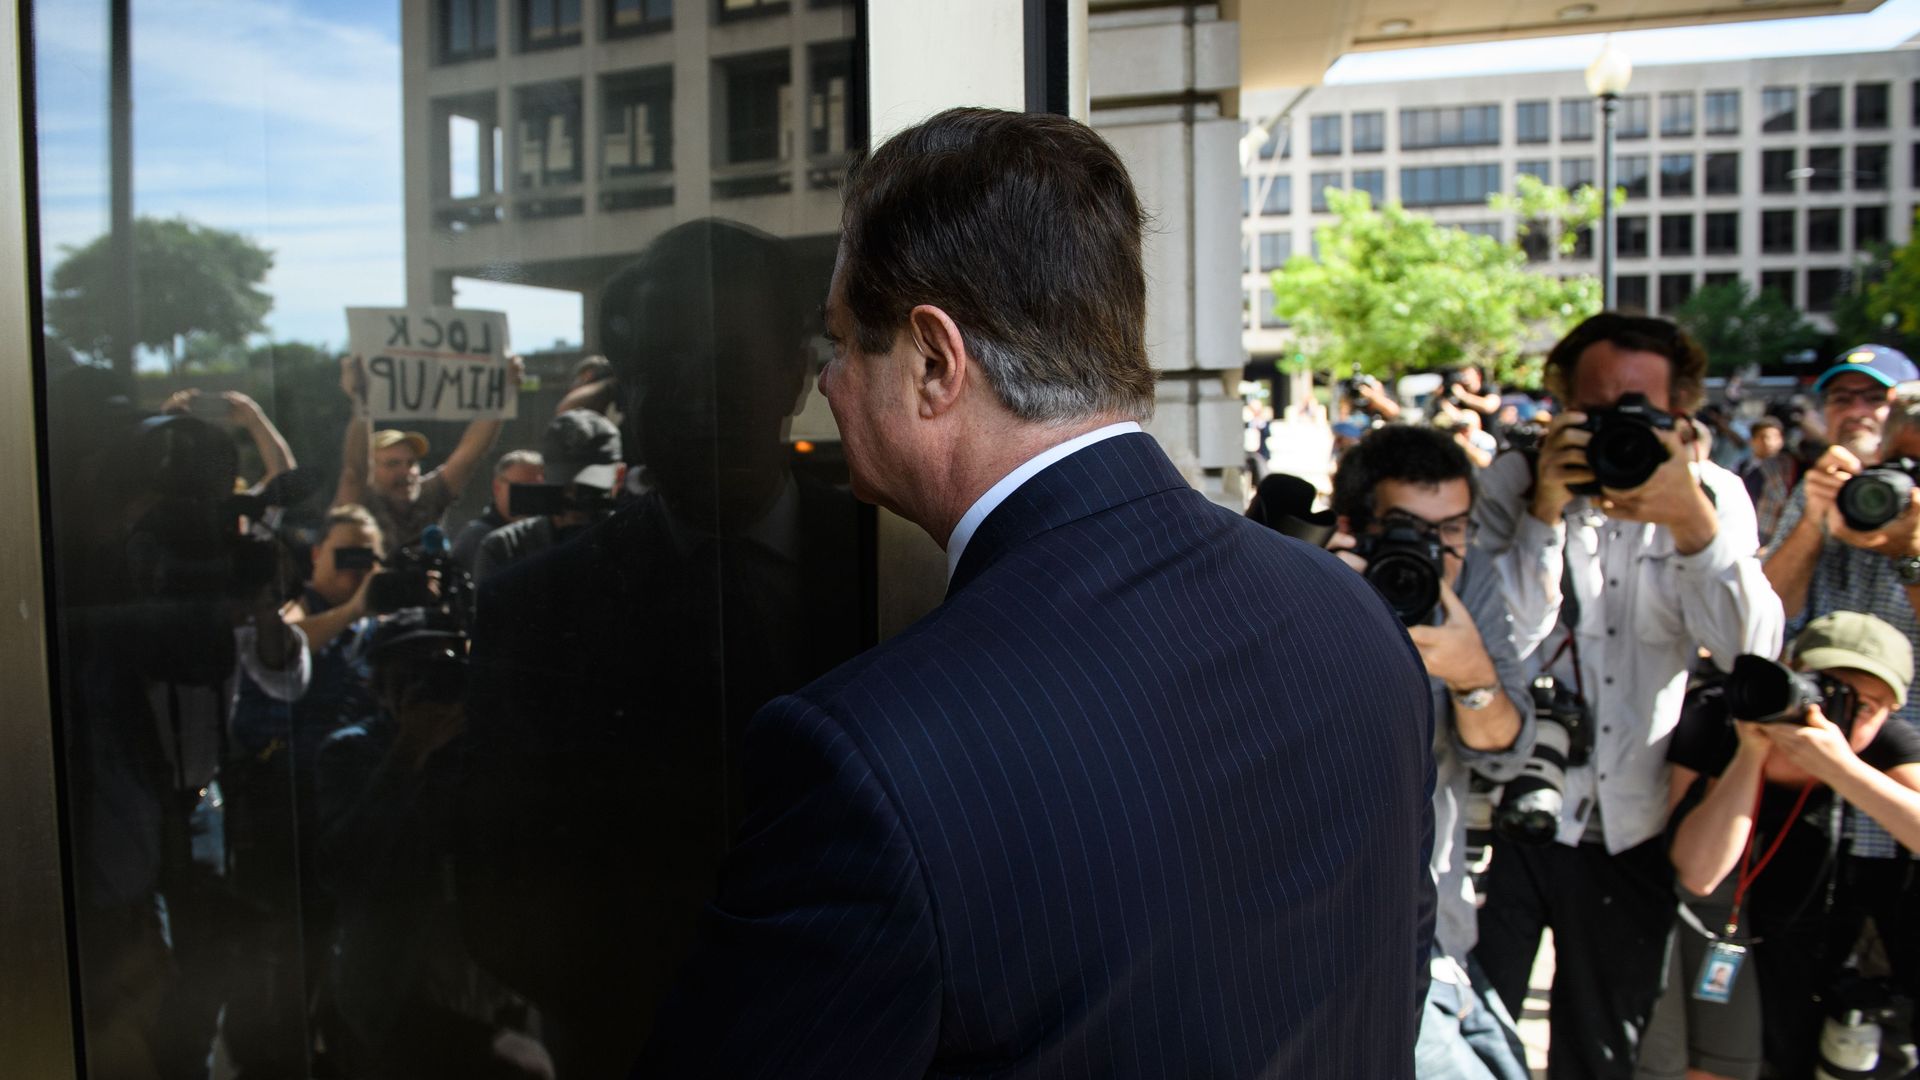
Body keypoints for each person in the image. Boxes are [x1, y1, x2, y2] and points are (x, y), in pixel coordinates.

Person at [637, 107, 1435, 1078]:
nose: (825, 391)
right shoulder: (1350, 616)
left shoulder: (871, 756)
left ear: (934, 363)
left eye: (842, 345)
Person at [460, 218, 871, 1078]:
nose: (688, 396)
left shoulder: (903, 572)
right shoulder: (533, 611)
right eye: (657, 367)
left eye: (722, 359)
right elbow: (500, 893)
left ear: (796, 377)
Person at [1470, 312, 1785, 1079]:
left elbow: (1753, 652)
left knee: (1604, 1047)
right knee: (1481, 1034)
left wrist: (1689, 521)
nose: (1615, 427)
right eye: (1596, 409)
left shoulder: (1711, 495)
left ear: (1679, 412)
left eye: (1637, 410)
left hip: (1630, 827)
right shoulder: (1515, 481)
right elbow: (1490, 636)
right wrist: (1543, 511)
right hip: (1510, 807)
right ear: (1561, 402)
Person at [1326, 425, 1535, 1080]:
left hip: (1437, 919)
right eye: (1411, 529)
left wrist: (1474, 680)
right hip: (1337, 929)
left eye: (1455, 529)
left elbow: (1503, 755)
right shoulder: (1309, 582)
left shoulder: (1466, 587)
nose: (1437, 551)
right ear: (1355, 525)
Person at [1667, 612, 1920, 1079]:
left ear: (1890, 713)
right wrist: (1752, 753)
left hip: (1811, 925)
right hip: (1705, 917)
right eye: (1827, 690)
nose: (1837, 712)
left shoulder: (1884, 744)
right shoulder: (1724, 712)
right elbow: (1697, 873)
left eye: (1864, 706)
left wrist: (1842, 768)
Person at [1759, 343, 1920, 1017]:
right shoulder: (1819, 482)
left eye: (1874, 399)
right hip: (1812, 789)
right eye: (1841, 399)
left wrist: (1909, 551)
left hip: (1906, 793)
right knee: (1795, 1002)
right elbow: (1767, 616)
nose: (1857, 413)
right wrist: (1817, 524)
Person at [333, 354, 520, 548]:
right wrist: (361, 400)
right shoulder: (358, 503)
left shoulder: (427, 496)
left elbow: (469, 455)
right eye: (392, 463)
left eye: (411, 463)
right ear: (370, 471)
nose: (406, 471)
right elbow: (354, 472)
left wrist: (502, 392)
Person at [473, 412, 623, 581]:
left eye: (589, 487)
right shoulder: (503, 548)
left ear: (619, 475)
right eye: (564, 485)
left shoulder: (634, 543)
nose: (574, 496)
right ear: (544, 476)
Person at [451, 450, 544, 574]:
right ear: (497, 487)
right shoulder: (477, 537)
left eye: (537, 488)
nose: (530, 495)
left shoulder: (545, 532)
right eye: (522, 487)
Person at [1736, 416, 1797, 547]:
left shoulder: (1785, 465)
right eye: (1763, 437)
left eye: (1775, 437)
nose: (1769, 442)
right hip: (1744, 527)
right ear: (1752, 441)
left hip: (1769, 531)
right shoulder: (1744, 467)